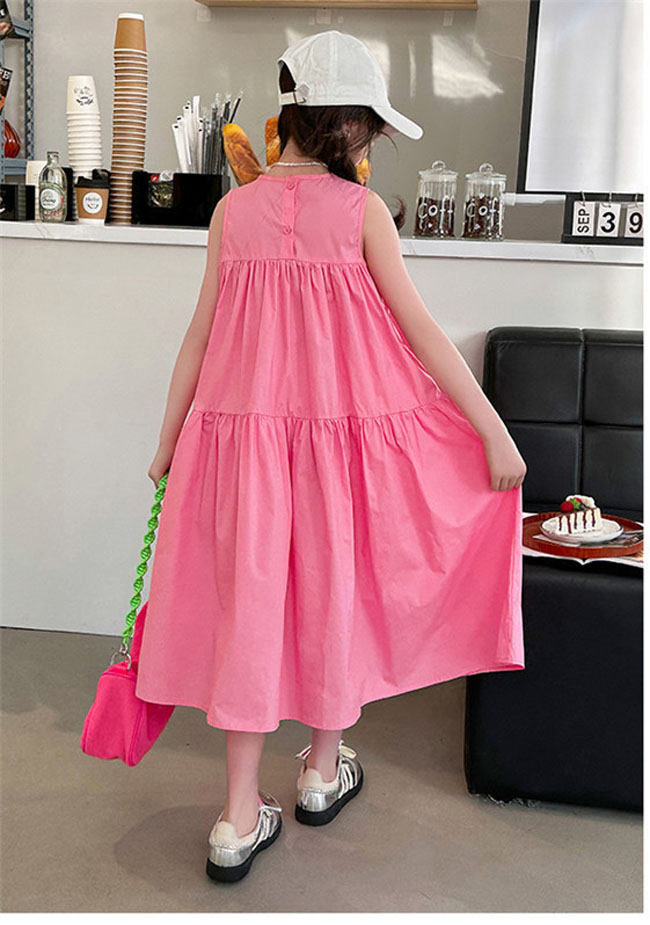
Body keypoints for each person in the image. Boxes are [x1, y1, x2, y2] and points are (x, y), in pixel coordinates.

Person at [134, 30, 527, 883]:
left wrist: (167, 441)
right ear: (346, 126)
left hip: (241, 454)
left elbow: (198, 337)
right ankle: (320, 770)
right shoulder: (361, 215)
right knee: (330, 596)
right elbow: (421, 333)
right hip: (330, 456)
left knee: (247, 612)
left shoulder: (232, 212)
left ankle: (238, 815)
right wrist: (492, 429)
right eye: (372, 126)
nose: (373, 140)